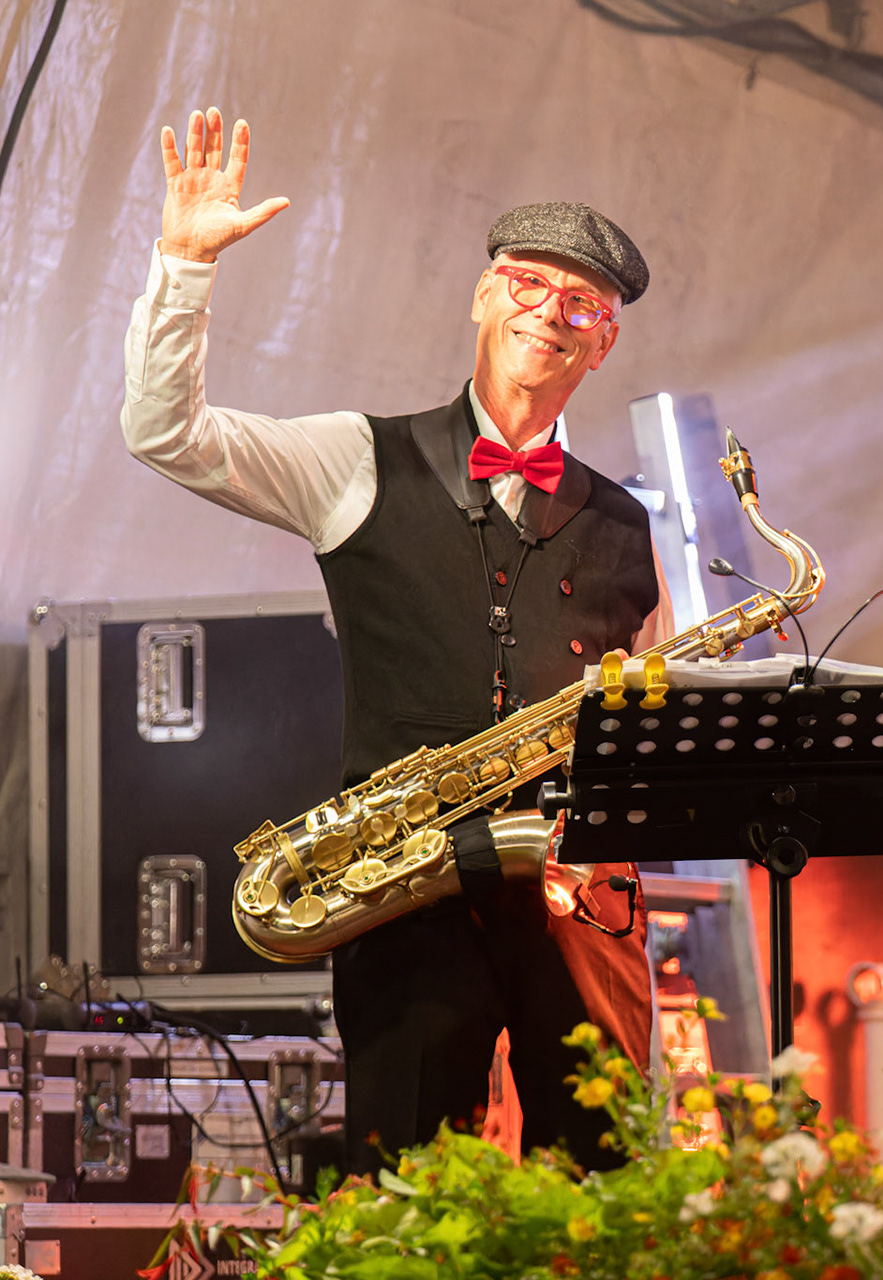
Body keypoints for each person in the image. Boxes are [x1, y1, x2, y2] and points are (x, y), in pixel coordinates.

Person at [122, 107, 671, 1173]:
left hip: (579, 903)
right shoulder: (355, 458)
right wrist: (185, 264)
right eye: (526, 282)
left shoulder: (631, 522)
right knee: (405, 1192)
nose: (549, 313)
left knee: (610, 1195)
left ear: (605, 340)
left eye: (581, 302)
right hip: (405, 885)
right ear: (481, 293)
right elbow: (164, 434)